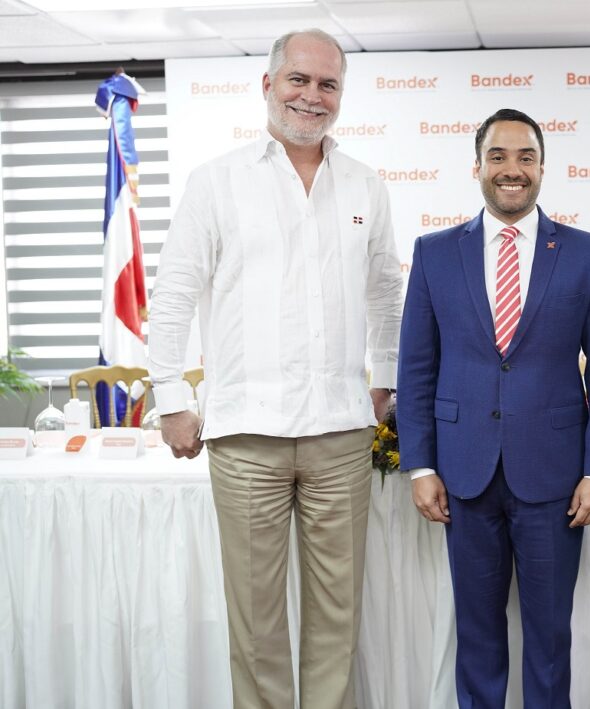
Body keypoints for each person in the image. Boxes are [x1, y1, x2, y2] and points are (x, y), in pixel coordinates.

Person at [148, 29, 402, 709]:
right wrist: (171, 400)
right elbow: (172, 296)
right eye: (299, 79)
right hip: (245, 437)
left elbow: (386, 293)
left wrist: (386, 378)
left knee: (338, 620)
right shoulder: (217, 182)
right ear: (268, 85)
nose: (312, 96)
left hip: (341, 434)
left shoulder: (365, 184)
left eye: (328, 84)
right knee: (257, 626)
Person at [397, 108, 590, 709]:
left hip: (555, 478)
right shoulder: (434, 253)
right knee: (476, 635)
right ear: (476, 166)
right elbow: (416, 369)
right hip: (463, 475)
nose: (512, 169)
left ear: (542, 167)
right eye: (497, 156)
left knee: (550, 638)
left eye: (526, 157)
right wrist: (420, 466)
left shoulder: (587, 254)